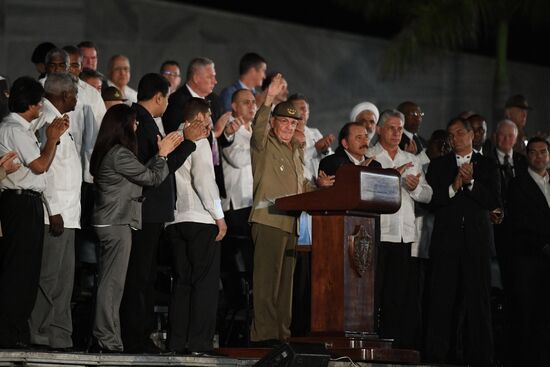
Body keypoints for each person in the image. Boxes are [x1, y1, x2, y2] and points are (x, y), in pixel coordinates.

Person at [119, 73, 206, 354]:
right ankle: (135, 337)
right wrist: (188, 142)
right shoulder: (138, 122)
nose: (168, 103)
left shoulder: (144, 120)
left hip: (151, 211)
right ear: (158, 96)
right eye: (167, 97)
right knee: (139, 276)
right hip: (145, 208)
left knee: (144, 274)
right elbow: (157, 169)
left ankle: (139, 334)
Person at [89, 104, 182, 352]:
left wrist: (159, 157)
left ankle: (108, 337)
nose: (137, 126)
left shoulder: (112, 151)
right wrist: (162, 155)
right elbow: (152, 178)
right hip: (116, 222)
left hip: (113, 221)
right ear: (122, 126)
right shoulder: (119, 154)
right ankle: (107, 339)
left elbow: (144, 174)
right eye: (133, 122)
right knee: (112, 284)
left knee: (113, 283)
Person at [248, 74, 329, 345]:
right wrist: (269, 97)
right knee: (266, 282)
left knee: (285, 288)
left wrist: (320, 187)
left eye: (293, 123)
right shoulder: (263, 144)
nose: (288, 127)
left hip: (292, 224)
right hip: (268, 220)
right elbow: (258, 124)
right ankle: (264, 336)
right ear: (274, 122)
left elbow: (300, 187)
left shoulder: (296, 150)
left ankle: (282, 334)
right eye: (283, 121)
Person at [425, 117, 500, 366]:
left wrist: (472, 183)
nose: (454, 138)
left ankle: (480, 358)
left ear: (471, 135)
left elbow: (494, 201)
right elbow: (433, 202)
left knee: (478, 304)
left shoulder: (488, 165)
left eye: (459, 133)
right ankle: (438, 356)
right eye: (451, 134)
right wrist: (454, 186)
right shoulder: (439, 166)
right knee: (442, 302)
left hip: (477, 245)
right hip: (446, 244)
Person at [0, 76, 68, 348]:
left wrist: (53, 129)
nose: (42, 107)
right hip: (19, 203)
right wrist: (51, 140)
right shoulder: (14, 129)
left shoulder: (20, 127)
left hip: (26, 202)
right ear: (31, 104)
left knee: (25, 271)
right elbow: (39, 166)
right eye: (40, 103)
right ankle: (11, 332)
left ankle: (16, 330)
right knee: (19, 271)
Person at [164, 98, 226, 355]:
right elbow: (202, 180)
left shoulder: (172, 136)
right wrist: (219, 216)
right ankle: (200, 343)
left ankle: (177, 343)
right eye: (209, 116)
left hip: (175, 220)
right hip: (200, 219)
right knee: (204, 284)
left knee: (181, 283)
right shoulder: (198, 137)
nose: (210, 122)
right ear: (200, 117)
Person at [366, 109, 432, 350]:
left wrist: (414, 188)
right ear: (380, 129)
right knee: (374, 294)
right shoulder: (370, 157)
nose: (396, 133)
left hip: (404, 236)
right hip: (378, 233)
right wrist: (391, 180)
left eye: (400, 128)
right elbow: (364, 192)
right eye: (391, 128)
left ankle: (391, 345)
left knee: (397, 295)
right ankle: (371, 342)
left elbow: (428, 194)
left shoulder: (411, 159)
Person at [28, 73, 80, 351]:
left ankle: (60, 334)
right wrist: (55, 209)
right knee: (48, 279)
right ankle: (39, 333)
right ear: (62, 96)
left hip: (70, 214)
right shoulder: (46, 122)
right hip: (55, 214)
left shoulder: (60, 119)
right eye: (74, 93)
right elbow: (42, 169)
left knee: (64, 281)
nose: (76, 98)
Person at [507, 137, 550, 366]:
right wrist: (542, 245)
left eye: (543, 152)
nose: (539, 157)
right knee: (528, 318)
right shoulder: (518, 184)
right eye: (534, 152)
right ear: (527, 155)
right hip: (528, 261)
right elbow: (518, 223)